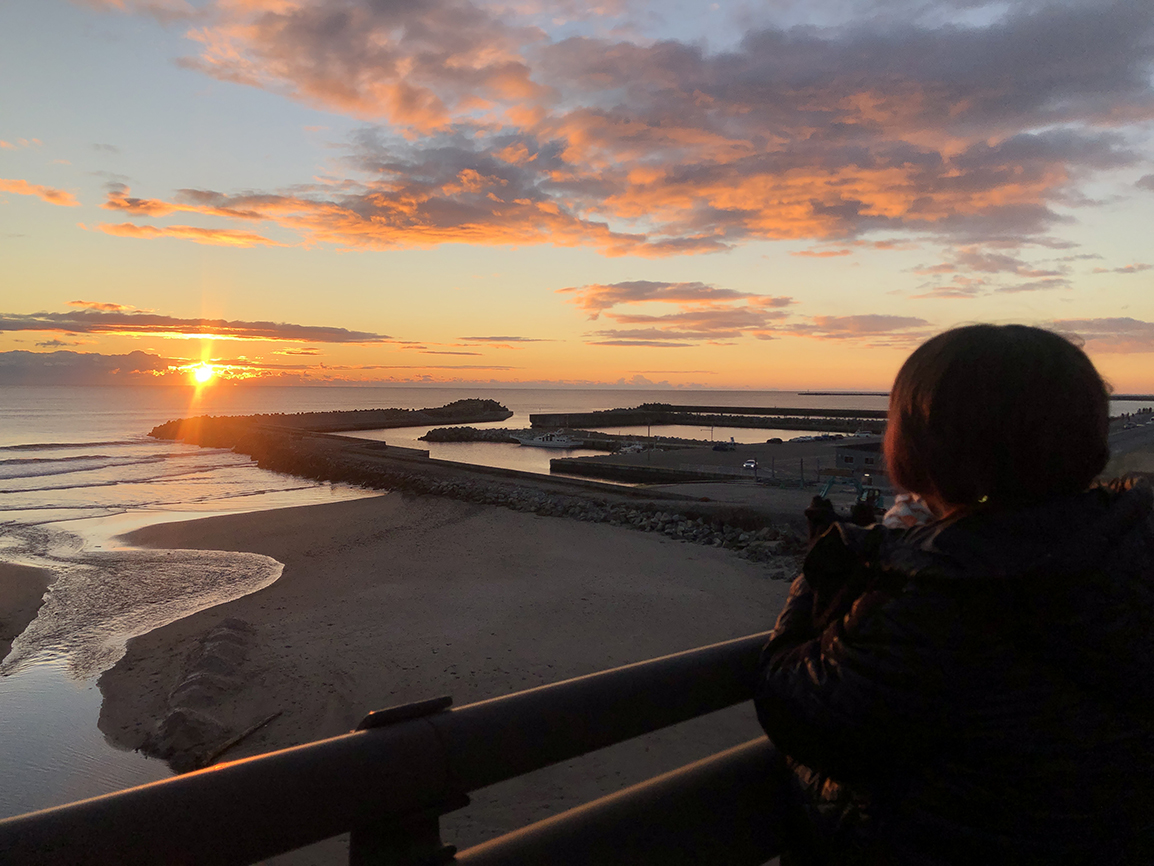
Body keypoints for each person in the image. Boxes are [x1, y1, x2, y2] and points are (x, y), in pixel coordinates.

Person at [755, 324, 1154, 865]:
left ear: (925, 445)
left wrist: (829, 563)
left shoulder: (944, 594)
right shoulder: (1129, 542)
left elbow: (794, 703)